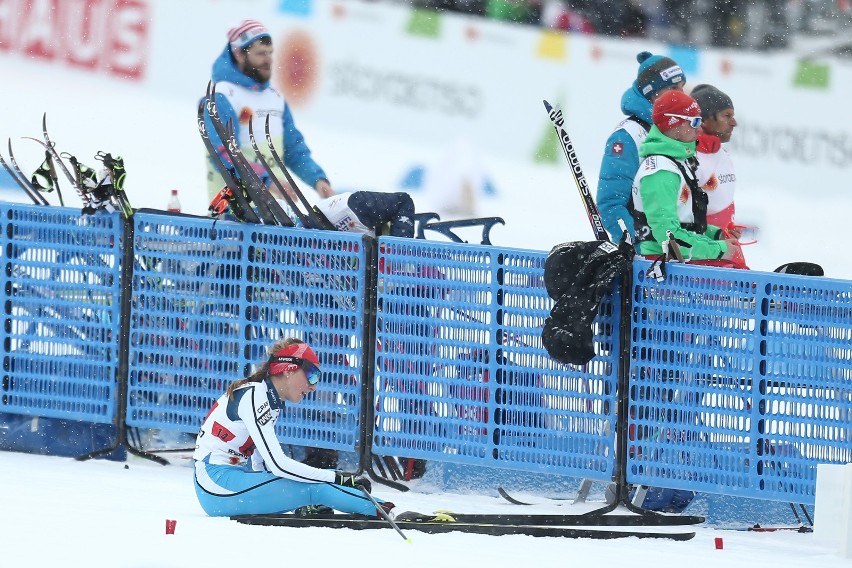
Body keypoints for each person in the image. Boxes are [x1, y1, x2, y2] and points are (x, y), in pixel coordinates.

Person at [193, 337, 416, 518]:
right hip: (216, 484)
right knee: (314, 488)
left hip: (229, 480)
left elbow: (260, 462)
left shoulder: (270, 400)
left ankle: (380, 508)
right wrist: (336, 478)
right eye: (311, 375)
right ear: (288, 370)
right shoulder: (255, 396)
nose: (313, 386)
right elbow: (279, 465)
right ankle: (390, 512)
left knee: (310, 485)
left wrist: (281, 493)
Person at [204, 19, 334, 203]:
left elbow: (294, 151)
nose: (269, 60)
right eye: (261, 54)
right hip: (234, 214)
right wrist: (265, 180)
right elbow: (223, 154)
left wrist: (317, 179)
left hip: (276, 214)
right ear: (239, 53)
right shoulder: (222, 96)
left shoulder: (275, 98)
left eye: (270, 53)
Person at [632, 90, 746, 269]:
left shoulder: (676, 163)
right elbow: (669, 241)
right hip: (660, 268)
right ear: (672, 123)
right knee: (736, 273)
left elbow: (686, 224)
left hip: (673, 264)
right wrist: (718, 249)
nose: (700, 129)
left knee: (738, 269)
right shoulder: (661, 172)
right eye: (694, 122)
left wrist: (716, 235)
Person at [596, 51, 686, 243]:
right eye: (672, 88)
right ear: (652, 93)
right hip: (645, 257)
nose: (681, 95)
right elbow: (611, 204)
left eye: (682, 87)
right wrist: (636, 247)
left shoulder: (676, 133)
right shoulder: (628, 135)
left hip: (673, 252)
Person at [690, 84, 739, 234]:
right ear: (703, 120)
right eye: (727, 116)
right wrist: (715, 237)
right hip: (702, 252)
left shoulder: (722, 153)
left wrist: (729, 230)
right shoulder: (688, 159)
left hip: (723, 249)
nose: (734, 123)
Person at [315, 191, 415, 238]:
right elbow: (403, 200)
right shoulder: (361, 206)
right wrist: (399, 247)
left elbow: (402, 201)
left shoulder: (360, 206)